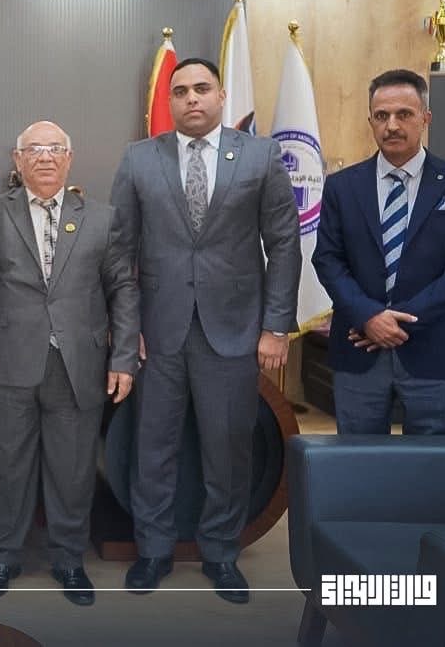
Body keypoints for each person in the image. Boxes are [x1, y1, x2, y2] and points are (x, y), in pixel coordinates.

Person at [110, 57, 300, 604]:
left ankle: (221, 553)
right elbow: (119, 252)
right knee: (153, 447)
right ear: (170, 102)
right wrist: (126, 327)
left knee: (228, 448)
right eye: (181, 91)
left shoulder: (260, 156)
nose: (191, 98)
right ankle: (153, 551)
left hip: (235, 330)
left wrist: (276, 326)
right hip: (157, 332)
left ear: (220, 96)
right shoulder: (139, 159)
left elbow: (284, 243)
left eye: (201, 88)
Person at [0, 121, 139, 605]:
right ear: (17, 160)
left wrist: (124, 357)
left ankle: (69, 561)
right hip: (6, 364)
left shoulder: (102, 218)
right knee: (6, 467)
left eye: (55, 148)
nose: (45, 157)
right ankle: (3, 557)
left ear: (69, 158)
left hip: (78, 365)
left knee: (73, 471)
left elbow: (123, 289)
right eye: (34, 149)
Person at [313, 69, 445, 435]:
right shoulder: (342, 187)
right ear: (370, 122)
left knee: (435, 464)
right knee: (359, 462)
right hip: (359, 352)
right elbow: (327, 259)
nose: (391, 125)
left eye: (404, 114)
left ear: (426, 118)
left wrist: (393, 322)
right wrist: (367, 316)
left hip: (434, 353)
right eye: (381, 116)